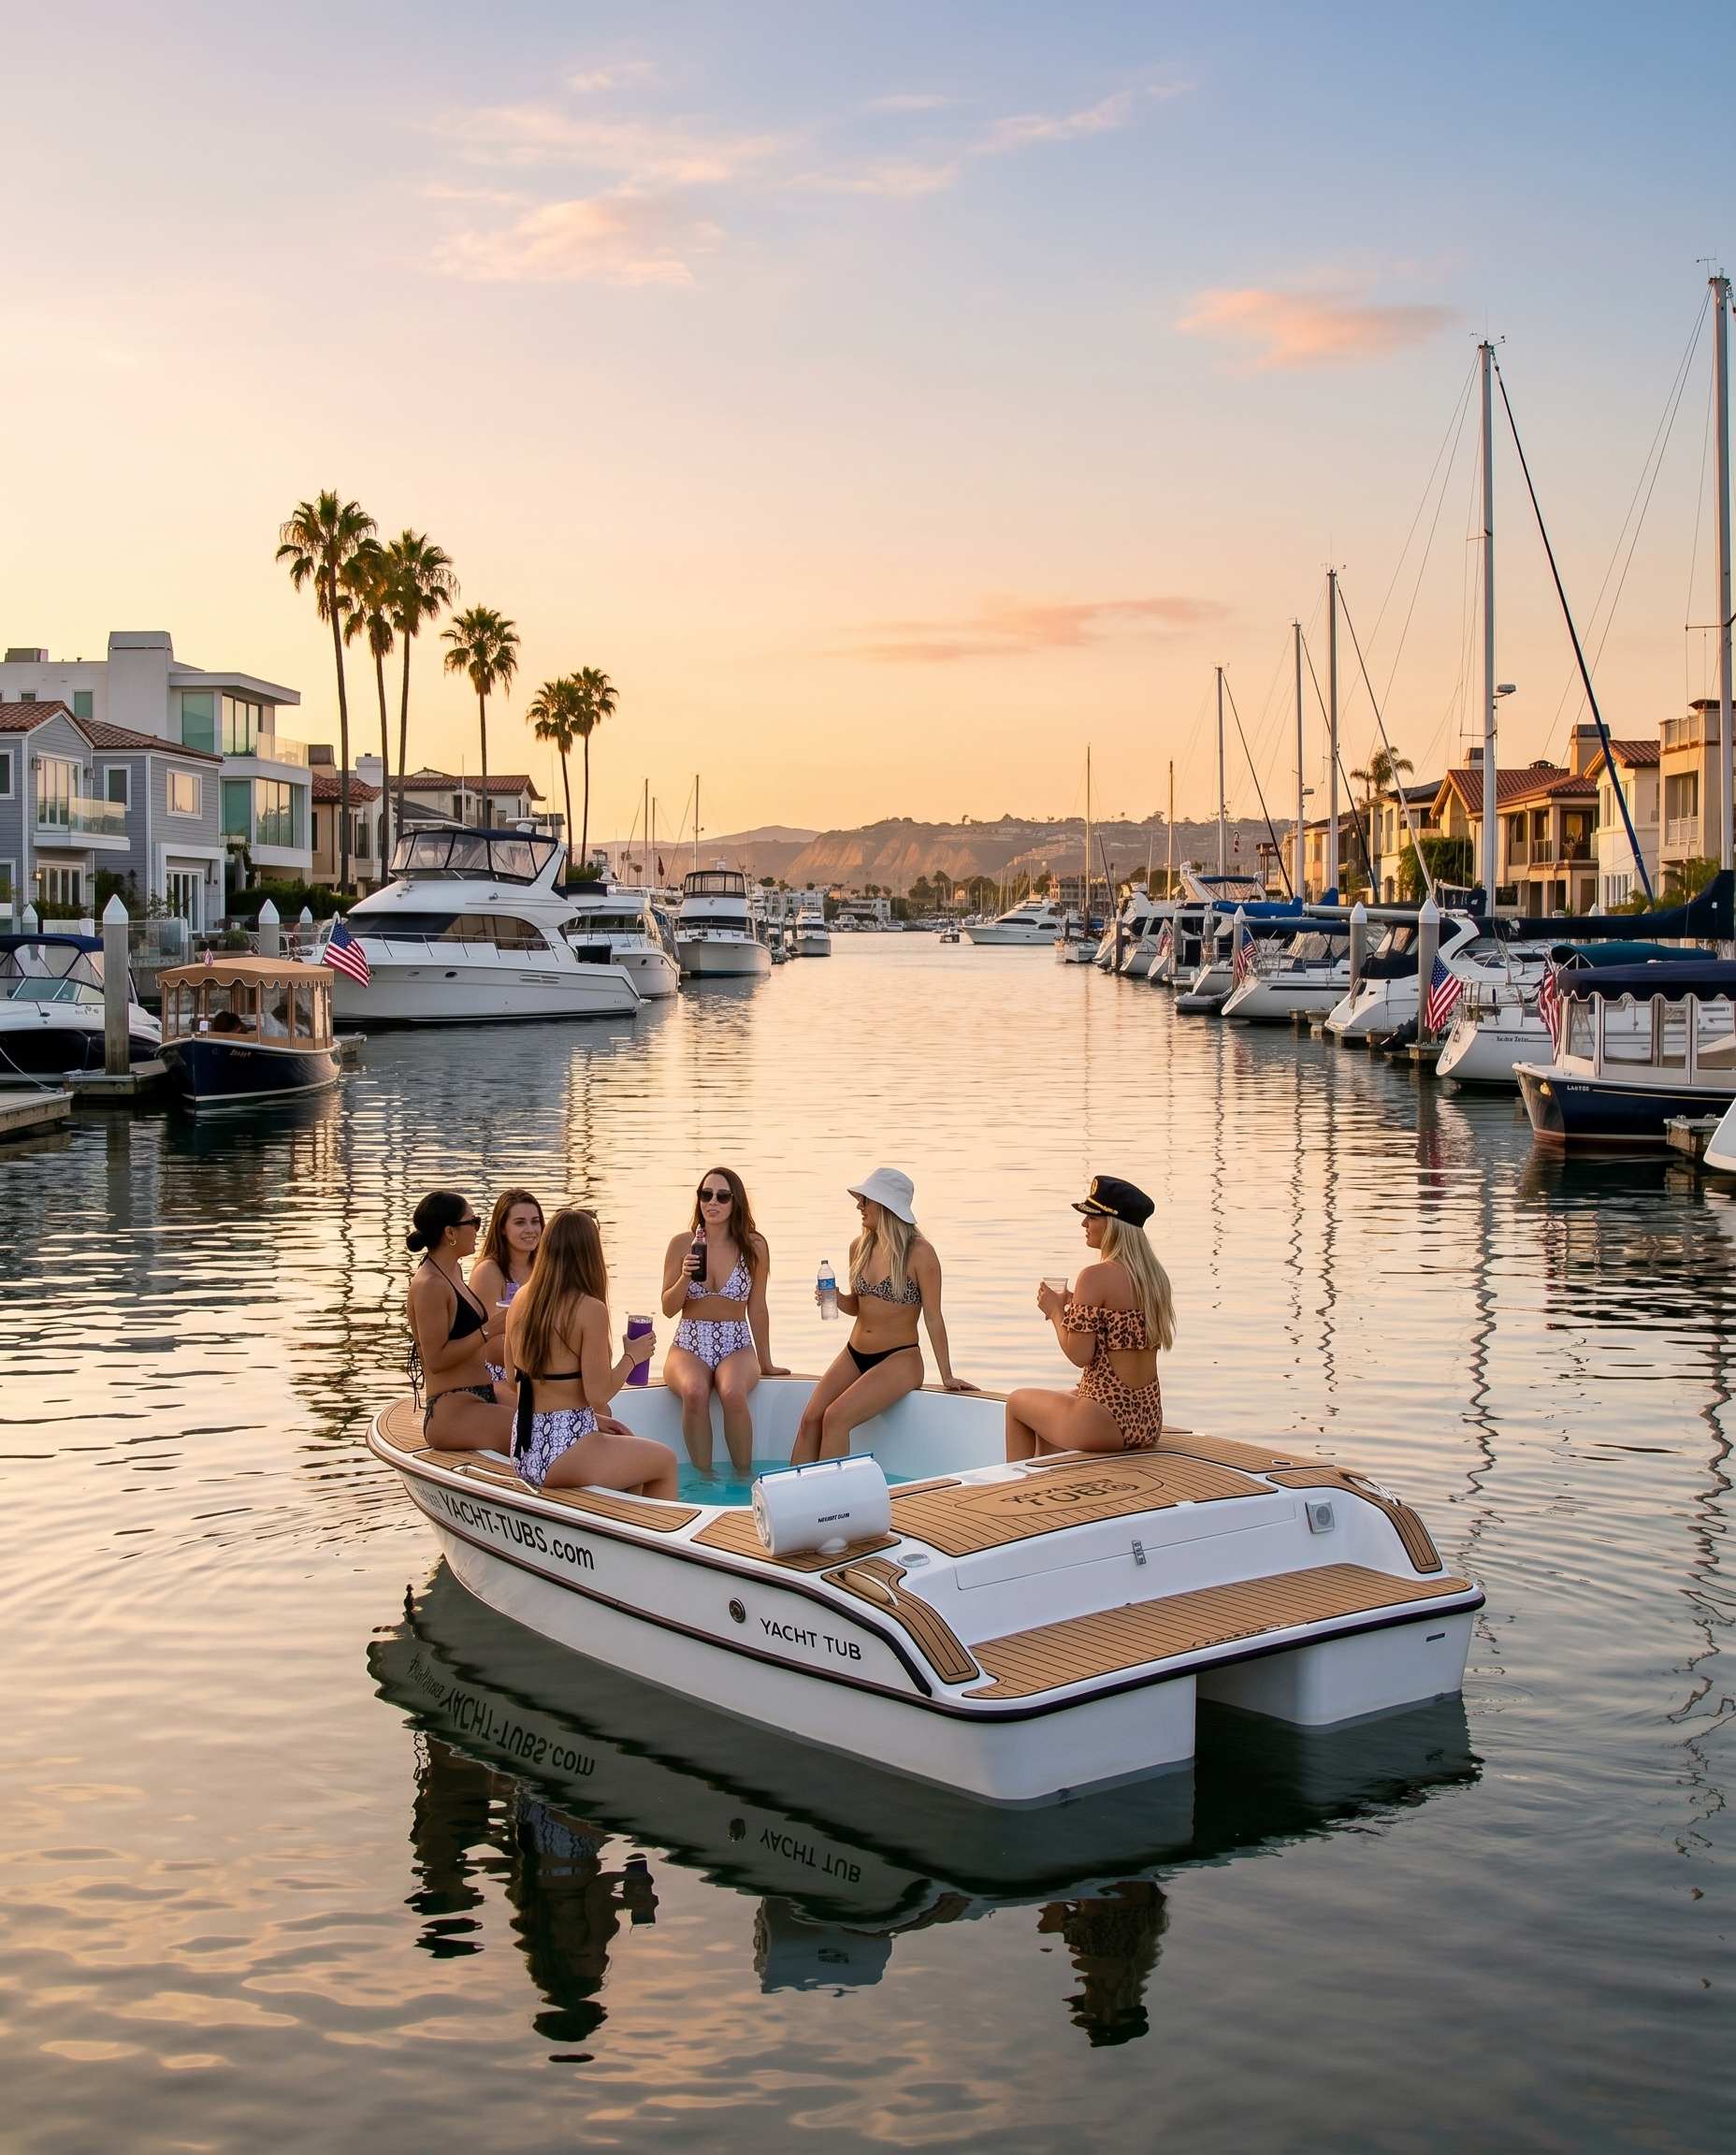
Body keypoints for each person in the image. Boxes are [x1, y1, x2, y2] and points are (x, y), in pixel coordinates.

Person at [791, 1167, 974, 1466]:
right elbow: (858, 1307)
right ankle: (789, 1501)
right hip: (855, 1353)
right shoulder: (859, 1247)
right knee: (811, 1419)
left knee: (835, 1418)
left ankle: (829, 1507)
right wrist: (837, 1299)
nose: (859, 1206)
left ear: (886, 1206)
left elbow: (933, 1318)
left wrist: (947, 1374)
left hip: (900, 1359)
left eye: (866, 1200)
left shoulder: (921, 1254)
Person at [505, 1207, 676, 1497]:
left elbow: (513, 1381)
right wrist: (632, 1356)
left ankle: (623, 1535)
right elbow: (598, 1395)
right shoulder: (588, 1310)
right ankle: (662, 1541)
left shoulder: (522, 1297)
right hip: (563, 1449)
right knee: (665, 1461)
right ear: (589, 1253)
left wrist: (592, 1420)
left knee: (631, 1464)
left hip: (524, 1446)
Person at [1005, 1176, 1175, 1461]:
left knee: (1016, 1403)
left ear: (1112, 1224)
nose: (1084, 1224)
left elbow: (1079, 1354)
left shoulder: (1094, 1276)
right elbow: (1119, 1327)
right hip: (1146, 1420)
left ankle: (1016, 1491)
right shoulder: (1155, 1278)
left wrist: (1056, 1311)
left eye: (1091, 1217)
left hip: (1104, 1422)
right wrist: (1075, 1303)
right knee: (1061, 1400)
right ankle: (1051, 1481)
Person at [660, 1167, 786, 1476]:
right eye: (705, 1195)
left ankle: (745, 1480)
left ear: (735, 1202)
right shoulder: (681, 1244)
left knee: (732, 1393)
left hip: (736, 1341)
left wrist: (766, 1361)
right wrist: (685, 1276)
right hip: (689, 1341)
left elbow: (757, 1308)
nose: (712, 1202)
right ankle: (704, 1480)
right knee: (694, 1392)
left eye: (722, 1196)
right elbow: (667, 1308)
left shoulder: (754, 1246)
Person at [406, 1189, 517, 1454]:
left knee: (565, 1421)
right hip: (451, 1409)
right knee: (537, 1434)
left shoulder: (453, 1270)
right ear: (450, 1233)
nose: (478, 1229)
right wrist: (489, 1329)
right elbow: (436, 1359)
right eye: (473, 1222)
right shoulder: (430, 1284)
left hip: (483, 1394)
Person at [471, 1187, 544, 1388]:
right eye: (520, 1222)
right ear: (502, 1227)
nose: (530, 1229)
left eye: (535, 1221)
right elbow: (488, 1346)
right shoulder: (489, 1271)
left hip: (539, 1370)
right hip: (497, 1374)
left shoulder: (544, 1268)